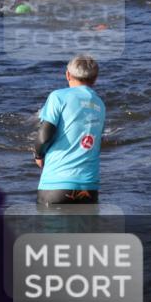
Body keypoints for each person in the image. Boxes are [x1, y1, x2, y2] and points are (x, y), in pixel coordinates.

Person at [34, 55, 106, 205]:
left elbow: (44, 136)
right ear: (95, 78)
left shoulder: (58, 97)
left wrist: (38, 155)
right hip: (89, 188)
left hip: (56, 186)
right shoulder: (100, 104)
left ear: (68, 75)